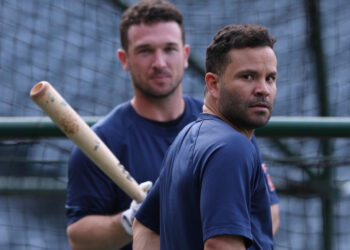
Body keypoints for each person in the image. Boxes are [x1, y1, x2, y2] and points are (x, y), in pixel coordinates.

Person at [65, 1, 203, 249]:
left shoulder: (221, 126)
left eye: (169, 49)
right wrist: (130, 220)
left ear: (185, 56)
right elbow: (78, 239)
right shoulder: (101, 142)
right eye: (145, 50)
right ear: (124, 59)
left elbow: (268, 212)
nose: (159, 62)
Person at [133, 23, 278, 249]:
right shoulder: (232, 147)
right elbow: (221, 245)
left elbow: (145, 226)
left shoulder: (185, 139)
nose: (263, 89)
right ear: (213, 84)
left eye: (269, 78)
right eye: (248, 77)